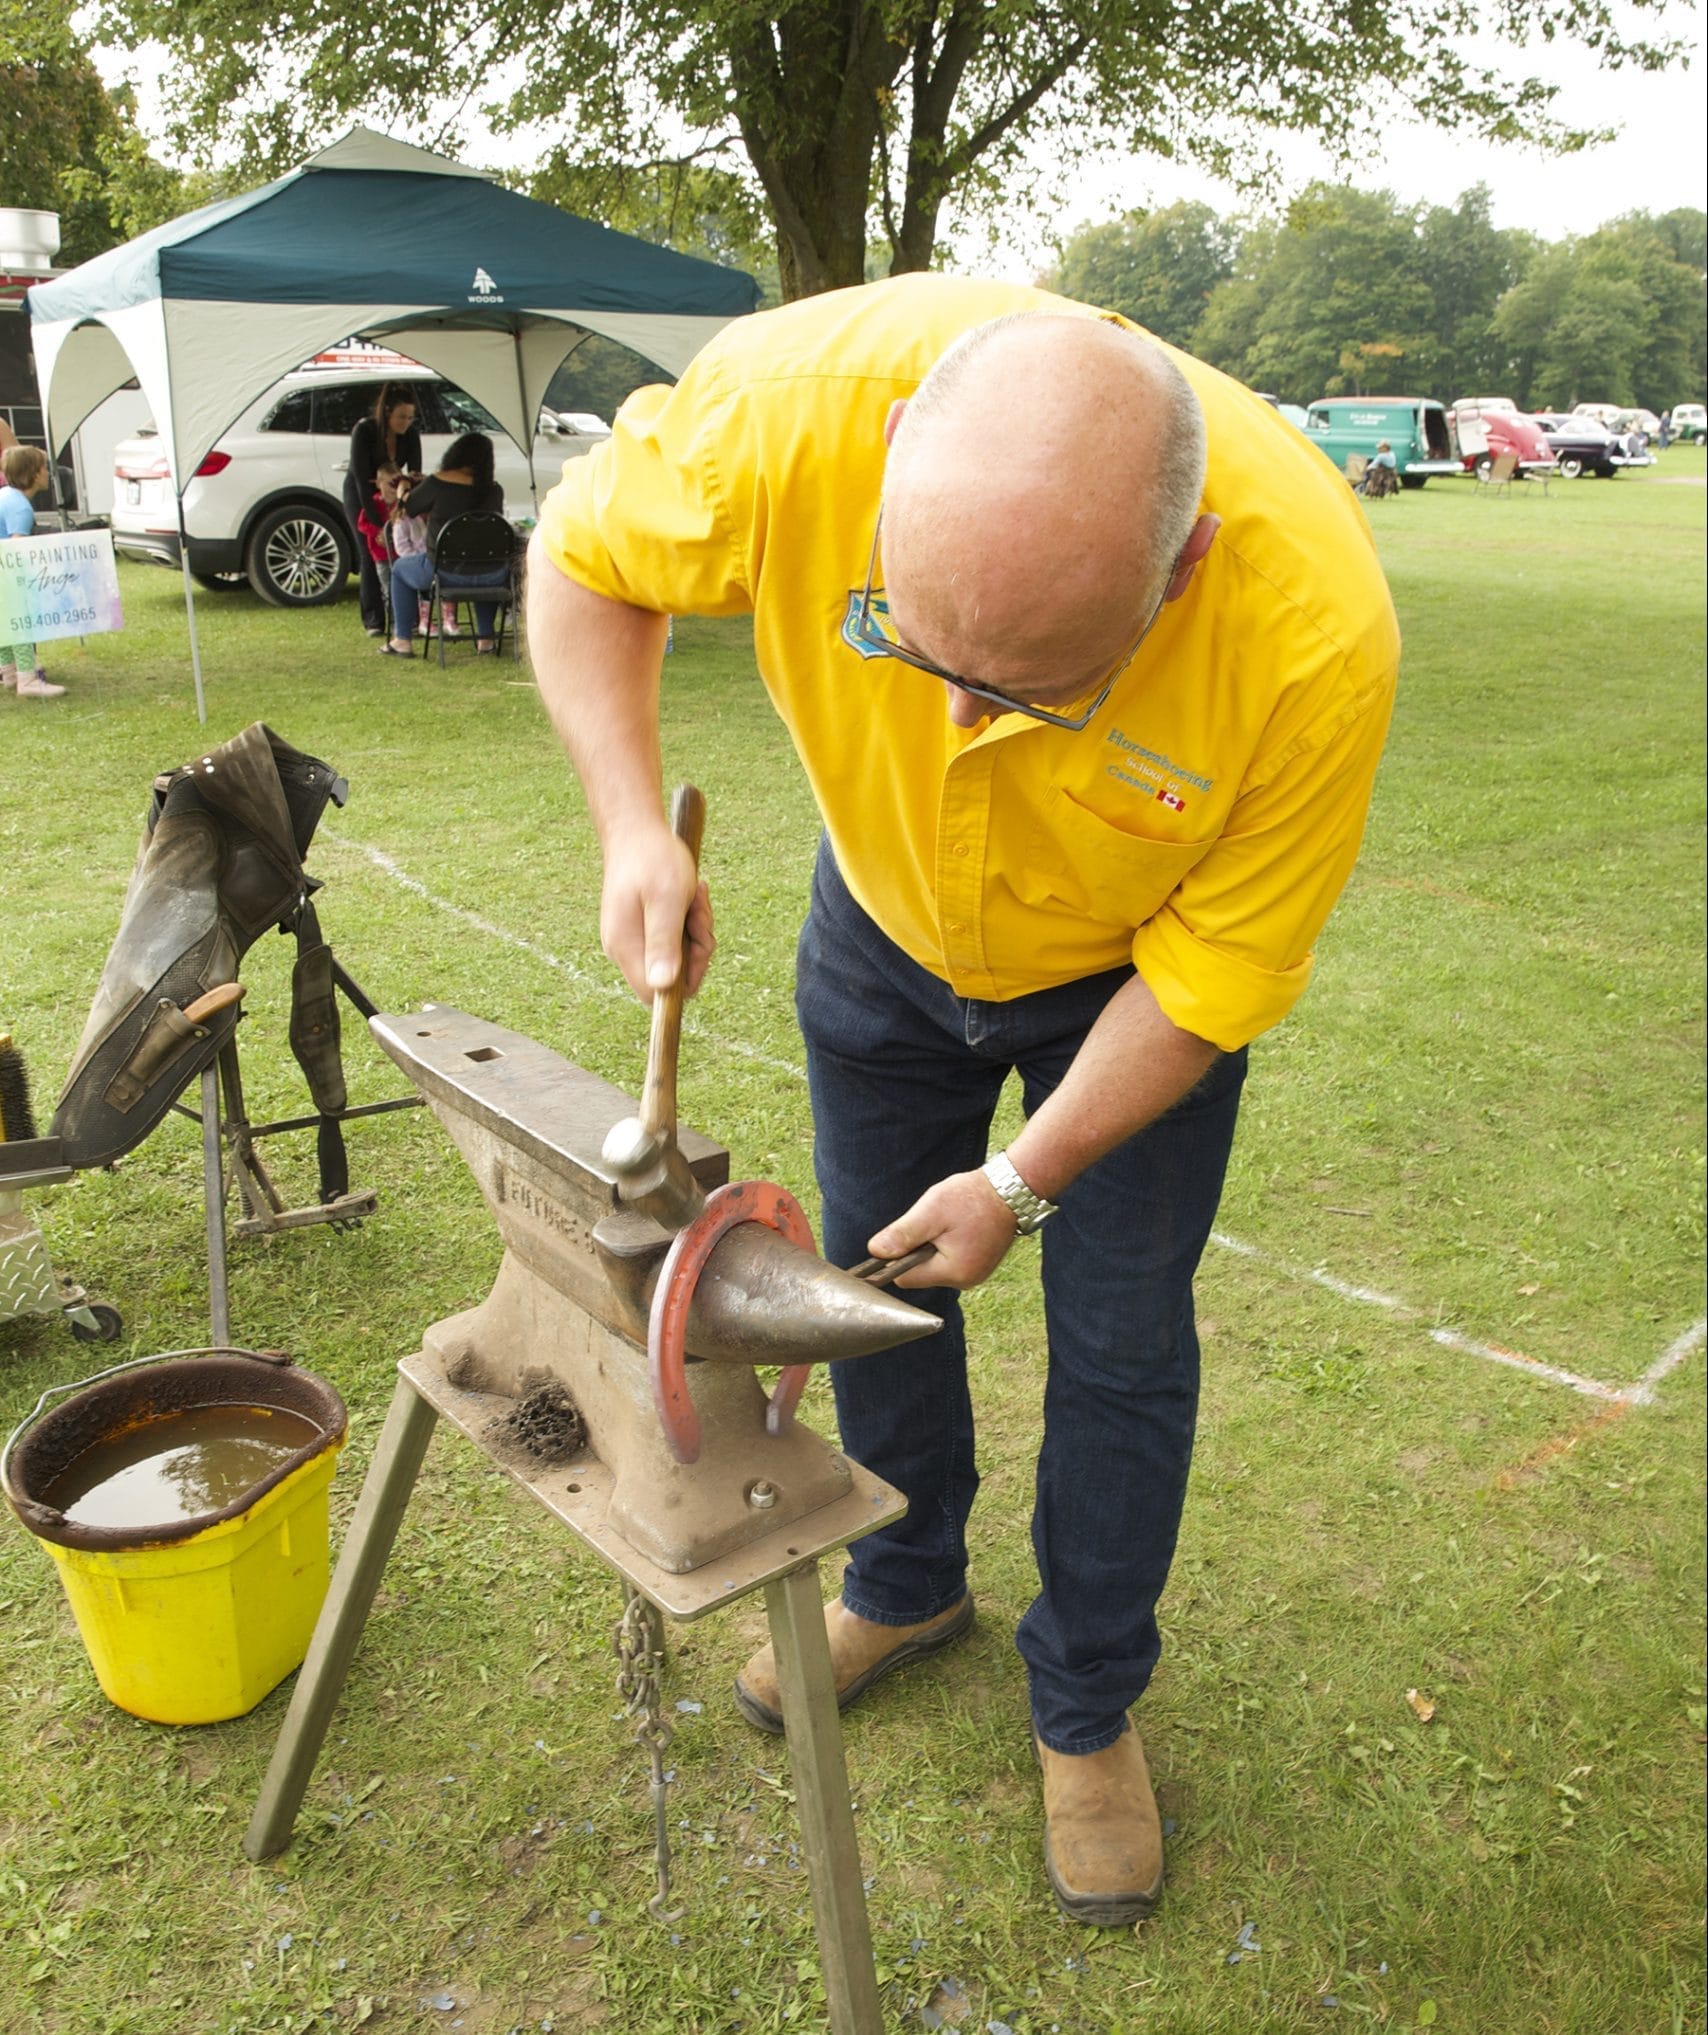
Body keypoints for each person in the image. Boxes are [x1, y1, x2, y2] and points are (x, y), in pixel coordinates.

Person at [526, 275, 1400, 1928]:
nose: (954, 724)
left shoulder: (1306, 627)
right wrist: (629, 822)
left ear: (1183, 569)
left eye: (1035, 692)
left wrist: (1024, 1182)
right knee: (865, 1286)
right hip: (876, 938)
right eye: (907, 643)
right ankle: (905, 1580)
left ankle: (1084, 1702)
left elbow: (1207, 989)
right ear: (897, 452)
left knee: (1123, 1342)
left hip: (1123, 994)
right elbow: (583, 559)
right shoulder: (783, 418)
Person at [382, 433, 508, 656]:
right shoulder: (494, 489)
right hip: (492, 575)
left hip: (442, 572)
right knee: (481, 561)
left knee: (400, 569)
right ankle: (486, 639)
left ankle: (402, 639)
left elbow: (409, 507)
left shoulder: (437, 483)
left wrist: (403, 488)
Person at [344, 383, 424, 637]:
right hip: (363, 493)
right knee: (370, 552)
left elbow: (414, 472)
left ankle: (404, 616)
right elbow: (359, 478)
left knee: (398, 551)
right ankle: (374, 620)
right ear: (387, 413)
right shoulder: (365, 430)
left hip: (392, 492)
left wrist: (404, 503)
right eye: (401, 417)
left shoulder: (410, 434)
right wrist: (377, 523)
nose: (406, 422)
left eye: (410, 418)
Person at [1, 445, 66, 699]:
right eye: (44, 468)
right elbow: (17, 550)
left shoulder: (6, 494)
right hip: (5, 574)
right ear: (33, 474)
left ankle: (9, 672)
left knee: (4, 622)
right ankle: (27, 678)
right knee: (20, 621)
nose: (47, 473)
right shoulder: (21, 508)